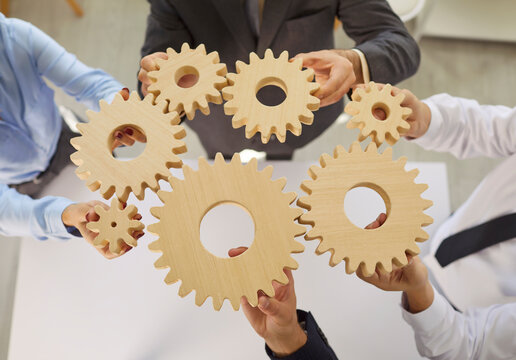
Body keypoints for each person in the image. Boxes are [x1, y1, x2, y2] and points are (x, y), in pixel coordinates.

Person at [230, 85, 516, 359]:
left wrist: (418, 291)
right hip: (454, 231)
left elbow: (472, 346)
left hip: (458, 312)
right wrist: (428, 118)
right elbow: (496, 128)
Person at [137, 0, 420, 159]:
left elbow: (402, 46)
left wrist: (355, 63)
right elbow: (157, 62)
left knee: (284, 163)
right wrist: (158, 86)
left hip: (302, 119)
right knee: (222, 167)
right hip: (216, 122)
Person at [0, 14, 143, 258]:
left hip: (66, 138)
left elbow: (90, 85)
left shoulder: (14, 37)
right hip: (18, 184)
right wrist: (65, 216)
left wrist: (118, 111)